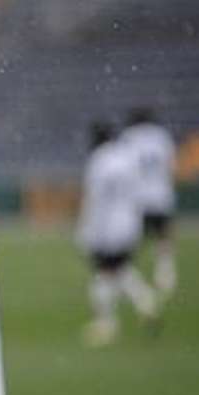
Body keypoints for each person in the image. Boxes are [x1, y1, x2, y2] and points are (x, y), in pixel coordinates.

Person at [77, 121, 158, 347]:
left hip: (107, 224)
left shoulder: (99, 160)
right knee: (119, 269)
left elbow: (96, 200)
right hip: (130, 222)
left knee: (103, 272)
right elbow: (139, 191)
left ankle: (106, 322)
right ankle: (146, 302)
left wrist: (88, 231)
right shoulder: (128, 156)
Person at [120, 107, 178, 299]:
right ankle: (165, 274)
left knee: (132, 240)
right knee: (163, 236)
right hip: (161, 194)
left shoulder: (129, 136)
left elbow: (123, 167)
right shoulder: (161, 136)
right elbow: (171, 165)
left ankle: (128, 277)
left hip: (138, 198)